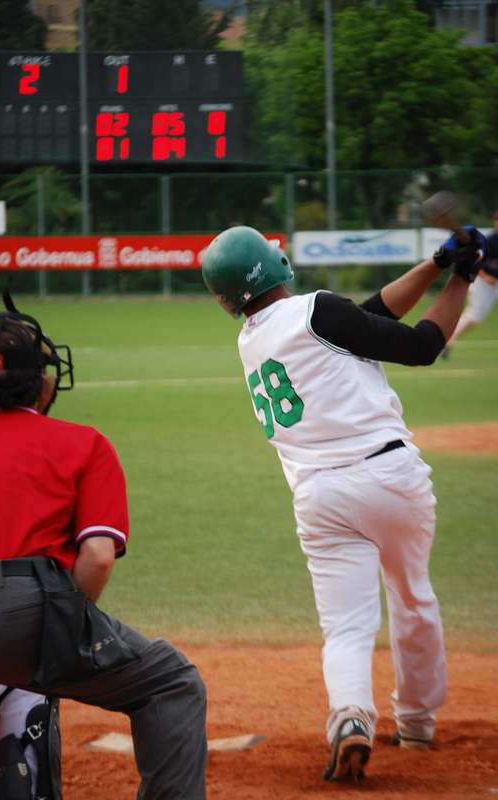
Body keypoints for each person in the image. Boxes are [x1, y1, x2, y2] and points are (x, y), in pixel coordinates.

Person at [202, 224, 486, 782]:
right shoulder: (318, 312)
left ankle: (351, 715)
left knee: (348, 627)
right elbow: (423, 345)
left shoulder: (256, 337)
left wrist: (433, 264)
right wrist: (462, 279)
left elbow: (365, 313)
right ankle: (417, 723)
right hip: (390, 478)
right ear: (270, 265)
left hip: (319, 497)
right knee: (412, 598)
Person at [0, 297, 207, 800]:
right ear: (46, 383)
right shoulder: (84, 443)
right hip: (32, 619)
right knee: (170, 683)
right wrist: (63, 633)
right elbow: (96, 556)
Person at [444, 210, 498, 355]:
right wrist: (485, 275)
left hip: (495, 283)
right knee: (475, 316)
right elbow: (474, 260)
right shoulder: (490, 241)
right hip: (483, 282)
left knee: (476, 317)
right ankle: (447, 340)